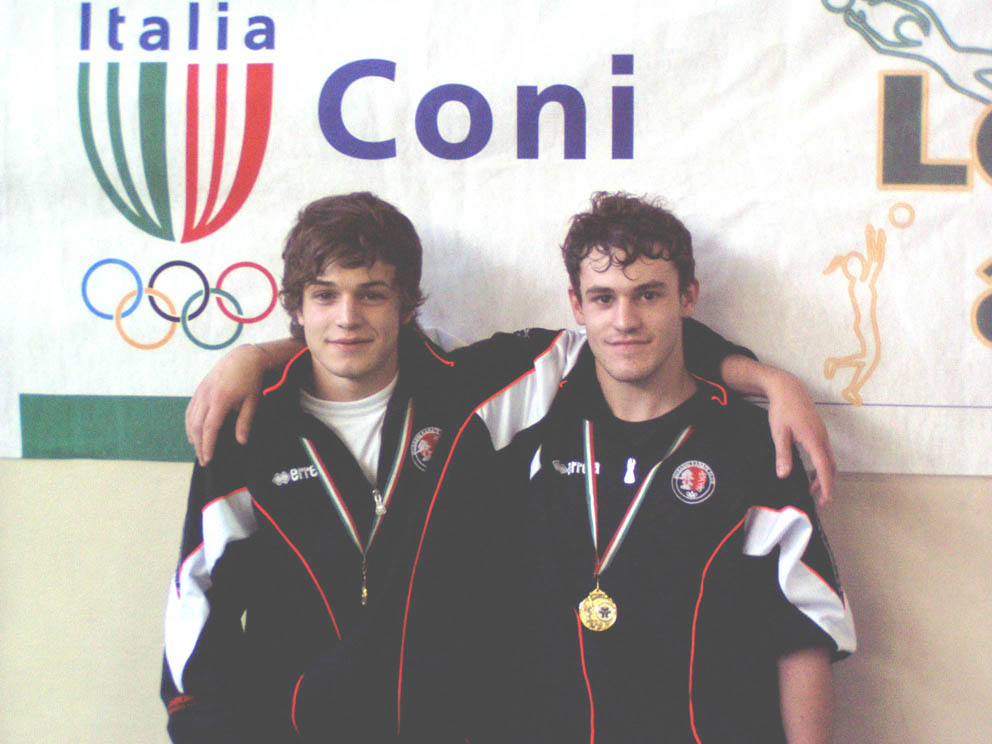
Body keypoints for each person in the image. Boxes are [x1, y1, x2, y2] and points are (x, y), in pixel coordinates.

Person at [167, 191, 838, 742]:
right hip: (293, 730)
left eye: (372, 294)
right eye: (324, 296)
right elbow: (198, 607)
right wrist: (251, 357)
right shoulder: (247, 430)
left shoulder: (470, 389)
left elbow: (622, 339)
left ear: (405, 304)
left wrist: (765, 378)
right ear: (296, 306)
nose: (348, 318)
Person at [459, 193, 856, 742]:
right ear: (577, 306)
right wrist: (767, 377)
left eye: (648, 295)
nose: (625, 321)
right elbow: (391, 363)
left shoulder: (752, 445)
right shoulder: (536, 405)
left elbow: (802, 635)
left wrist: (771, 381)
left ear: (687, 297)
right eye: (603, 298)